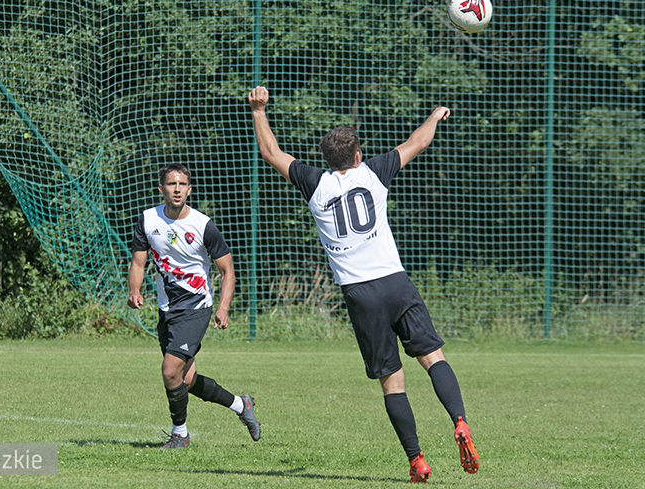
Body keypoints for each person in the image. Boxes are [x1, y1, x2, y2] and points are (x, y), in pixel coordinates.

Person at [248, 86, 478, 482]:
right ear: (357, 155)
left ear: (327, 159)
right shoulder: (374, 171)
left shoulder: (314, 183)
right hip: (395, 281)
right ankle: (459, 420)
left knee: (392, 379)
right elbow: (417, 141)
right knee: (433, 358)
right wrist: (436, 114)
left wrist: (258, 110)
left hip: (360, 292)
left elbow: (271, 153)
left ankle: (416, 459)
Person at [127, 163, 261, 449]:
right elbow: (138, 261)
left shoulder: (203, 225)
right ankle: (241, 404)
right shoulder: (148, 220)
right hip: (167, 308)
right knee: (185, 379)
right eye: (171, 184)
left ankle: (180, 435)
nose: (177, 189)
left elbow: (228, 271)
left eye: (182, 184)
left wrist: (223, 308)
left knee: (169, 370)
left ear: (190, 189)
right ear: (161, 188)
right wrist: (134, 290)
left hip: (196, 306)